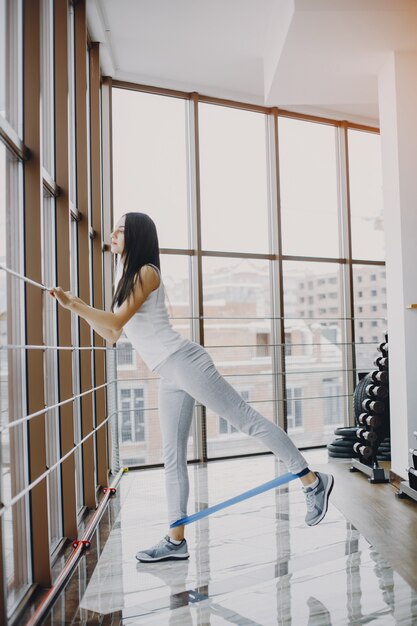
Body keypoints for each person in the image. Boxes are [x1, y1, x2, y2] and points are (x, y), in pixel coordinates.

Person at [50, 212, 334, 563]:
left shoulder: (146, 272)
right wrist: (75, 308)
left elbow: (114, 322)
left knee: (245, 419)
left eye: (120, 229)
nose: (112, 233)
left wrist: (75, 304)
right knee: (172, 456)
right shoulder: (125, 278)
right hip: (168, 371)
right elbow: (111, 333)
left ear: (137, 236)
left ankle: (311, 480)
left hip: (183, 361)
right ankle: (175, 540)